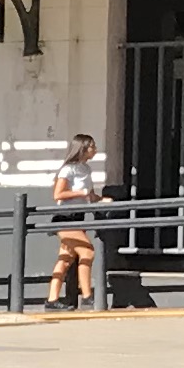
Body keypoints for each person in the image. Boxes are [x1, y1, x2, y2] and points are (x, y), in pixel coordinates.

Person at [48, 132, 106, 308]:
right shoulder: (68, 169)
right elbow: (58, 194)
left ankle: (51, 300)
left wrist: (101, 199)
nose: (95, 149)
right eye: (92, 146)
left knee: (66, 258)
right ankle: (88, 296)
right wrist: (81, 193)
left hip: (79, 217)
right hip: (66, 218)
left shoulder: (86, 169)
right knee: (87, 252)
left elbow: (89, 195)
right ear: (83, 148)